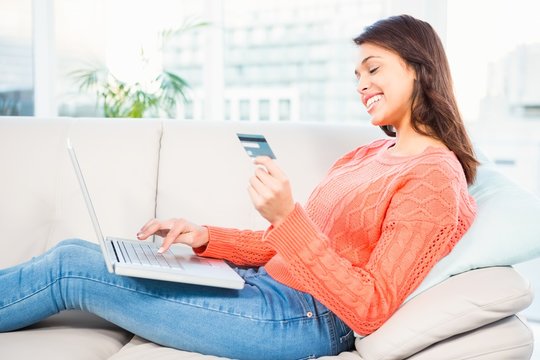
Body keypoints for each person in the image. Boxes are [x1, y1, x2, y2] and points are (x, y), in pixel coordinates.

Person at [0, 14, 478, 360]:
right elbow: (281, 246)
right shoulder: (367, 156)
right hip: (263, 287)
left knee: (70, 269)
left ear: (418, 69)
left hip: (300, 320)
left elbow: (370, 308)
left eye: (373, 69)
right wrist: (204, 236)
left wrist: (288, 217)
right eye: (356, 75)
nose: (361, 85)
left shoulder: (433, 177)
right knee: (76, 249)